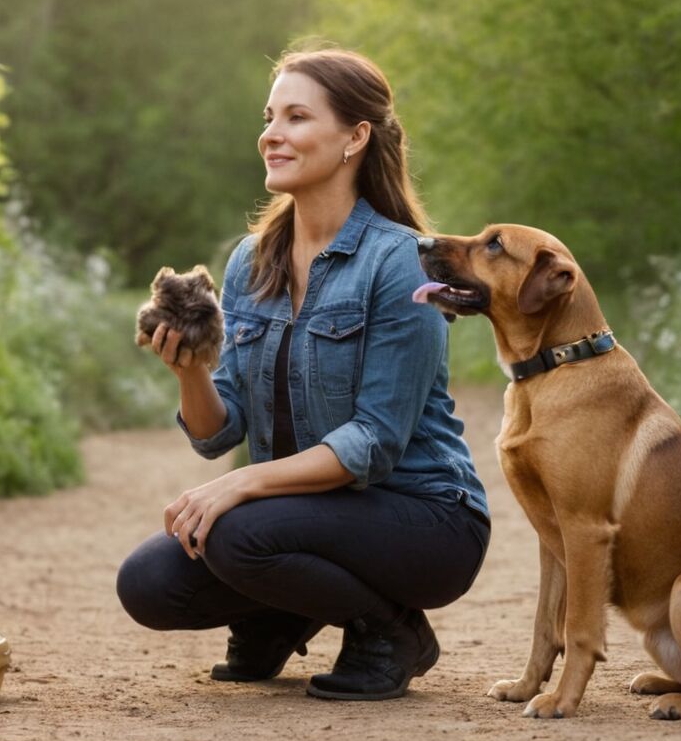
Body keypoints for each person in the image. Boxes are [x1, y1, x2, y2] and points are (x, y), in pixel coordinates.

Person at [116, 47, 490, 701]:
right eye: (268, 117)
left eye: (295, 116)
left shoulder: (400, 262)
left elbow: (372, 442)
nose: (271, 133)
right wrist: (191, 373)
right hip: (309, 515)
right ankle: (280, 608)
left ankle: (391, 631)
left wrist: (241, 487)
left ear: (355, 137)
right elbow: (217, 429)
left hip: (426, 519)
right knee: (148, 584)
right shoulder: (250, 261)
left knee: (234, 528)